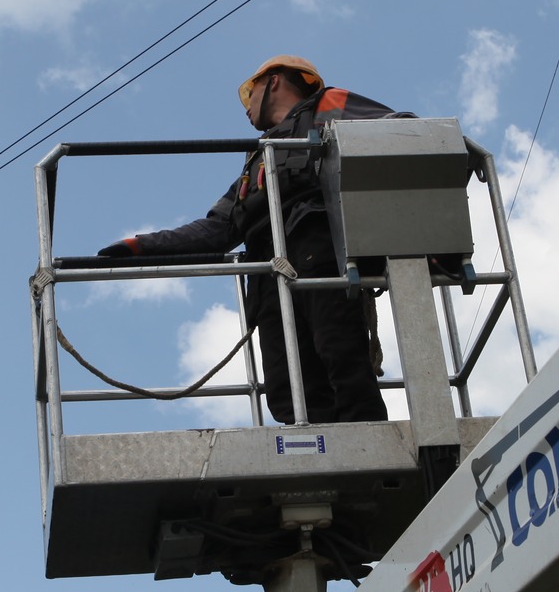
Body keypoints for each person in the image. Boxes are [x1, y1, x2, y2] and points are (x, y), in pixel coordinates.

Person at [99, 55, 401, 424]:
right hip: (269, 281)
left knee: (344, 365)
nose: (245, 108)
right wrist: (141, 246)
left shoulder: (328, 105)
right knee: (289, 395)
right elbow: (219, 228)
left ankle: (369, 457)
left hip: (322, 261)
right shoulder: (257, 158)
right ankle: (319, 471)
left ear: (273, 81)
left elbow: (401, 131)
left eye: (249, 93)